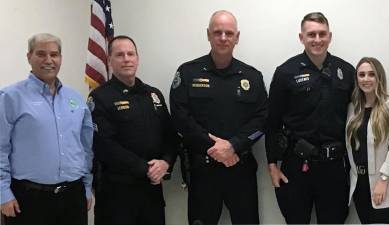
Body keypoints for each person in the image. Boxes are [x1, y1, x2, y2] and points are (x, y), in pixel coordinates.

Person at [170, 10, 268, 225]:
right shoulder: (188, 73)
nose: (223, 38)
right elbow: (180, 118)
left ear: (237, 37)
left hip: (240, 168)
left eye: (229, 33)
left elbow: (262, 119)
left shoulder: (252, 76)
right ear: (208, 34)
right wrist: (217, 149)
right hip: (202, 170)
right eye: (217, 32)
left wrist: (233, 146)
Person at [265, 12, 355, 224]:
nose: (317, 40)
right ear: (301, 37)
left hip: (334, 167)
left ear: (330, 37)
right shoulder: (286, 72)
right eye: (311, 34)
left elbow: (359, 116)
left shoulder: (346, 71)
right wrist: (271, 165)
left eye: (322, 34)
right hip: (296, 167)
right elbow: (272, 122)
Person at [0, 33, 93, 225]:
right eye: (41, 54)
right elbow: (1, 148)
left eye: (54, 54)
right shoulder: (10, 97)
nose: (48, 60)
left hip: (72, 197)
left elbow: (85, 148)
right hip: (28, 199)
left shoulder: (75, 98)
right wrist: (3, 193)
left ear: (61, 58)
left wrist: (86, 187)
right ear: (29, 57)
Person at [89, 35, 179, 225]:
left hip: (151, 192)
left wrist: (165, 162)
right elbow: (104, 145)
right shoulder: (100, 97)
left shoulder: (153, 94)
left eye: (131, 54)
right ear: (110, 61)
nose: (126, 59)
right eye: (120, 55)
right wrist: (145, 168)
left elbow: (171, 136)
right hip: (117, 194)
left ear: (137, 58)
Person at [346, 57, 389, 224]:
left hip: (385, 185)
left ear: (379, 77)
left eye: (371, 74)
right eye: (361, 75)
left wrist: (383, 181)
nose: (366, 79)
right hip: (359, 186)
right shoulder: (353, 109)